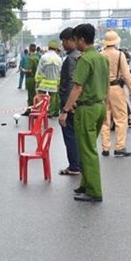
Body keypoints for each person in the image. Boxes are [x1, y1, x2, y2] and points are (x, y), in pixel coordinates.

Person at [58, 24, 109, 203]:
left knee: (87, 151)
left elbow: (77, 87)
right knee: (86, 148)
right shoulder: (102, 58)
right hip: (99, 107)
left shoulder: (85, 59)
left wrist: (65, 110)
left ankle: (94, 191)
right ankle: (86, 184)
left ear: (80, 39)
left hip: (86, 108)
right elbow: (106, 86)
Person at [100, 31, 131, 157]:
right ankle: (120, 146)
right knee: (120, 118)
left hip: (102, 90)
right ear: (116, 42)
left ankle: (105, 148)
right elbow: (126, 75)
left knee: (105, 119)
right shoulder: (120, 55)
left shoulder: (100, 55)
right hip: (116, 88)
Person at [57, 28, 81, 176]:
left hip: (70, 104)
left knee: (70, 135)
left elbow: (73, 83)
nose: (63, 44)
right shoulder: (79, 55)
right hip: (77, 103)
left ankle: (74, 166)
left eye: (64, 41)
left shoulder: (72, 58)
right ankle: (77, 164)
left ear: (72, 40)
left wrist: (67, 107)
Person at [35, 40, 63, 117]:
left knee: (41, 97)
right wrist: (58, 83)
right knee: (53, 99)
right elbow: (60, 73)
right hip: (54, 84)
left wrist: (37, 81)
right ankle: (51, 112)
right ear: (56, 48)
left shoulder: (43, 57)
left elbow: (39, 70)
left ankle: (42, 111)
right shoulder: (59, 59)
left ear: (48, 47)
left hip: (43, 83)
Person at [21, 43, 40, 116]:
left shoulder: (31, 58)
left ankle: (31, 110)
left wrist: (23, 70)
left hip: (30, 78)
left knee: (30, 96)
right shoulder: (37, 57)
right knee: (35, 95)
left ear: (29, 49)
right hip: (36, 78)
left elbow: (29, 70)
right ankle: (34, 109)